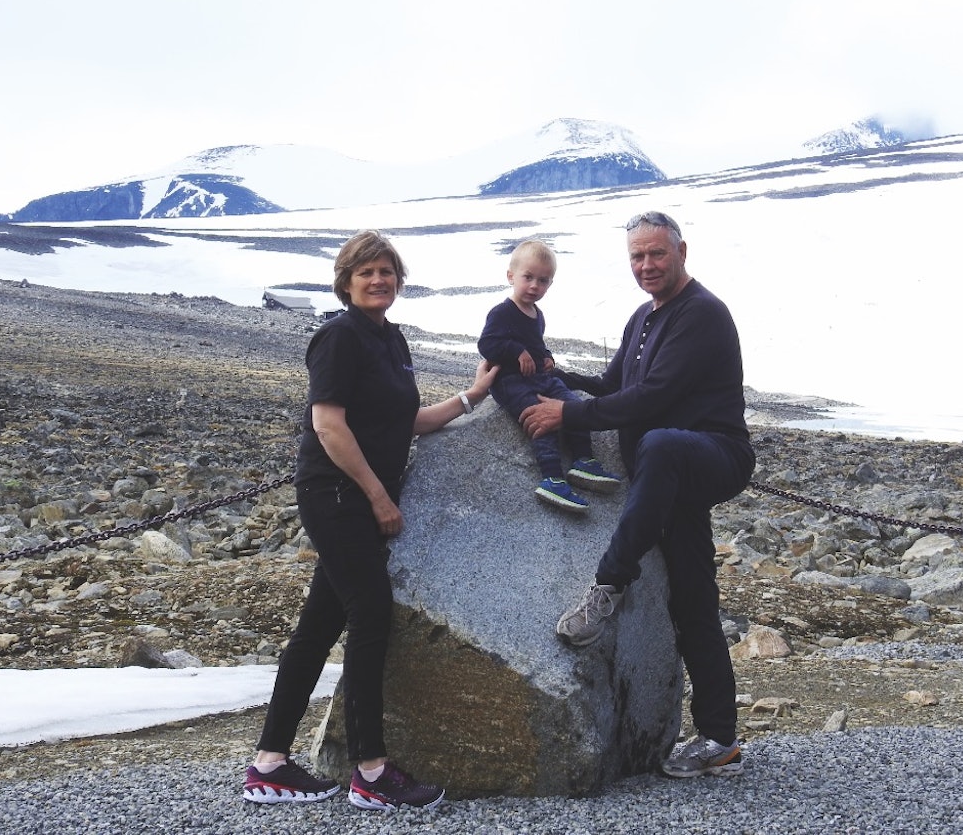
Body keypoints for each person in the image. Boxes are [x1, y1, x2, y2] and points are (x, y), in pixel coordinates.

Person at [242, 230, 498, 810]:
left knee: (317, 628)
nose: (378, 280)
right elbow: (329, 425)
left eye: (387, 271)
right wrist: (379, 497)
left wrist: (473, 395)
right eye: (367, 273)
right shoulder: (338, 337)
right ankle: (372, 772)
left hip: (356, 495)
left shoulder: (390, 339)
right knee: (370, 613)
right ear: (346, 282)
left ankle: (269, 763)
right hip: (337, 494)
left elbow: (409, 419)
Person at [519, 211, 756, 779]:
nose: (646, 266)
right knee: (692, 600)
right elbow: (613, 388)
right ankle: (720, 737)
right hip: (668, 476)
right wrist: (552, 379)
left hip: (712, 455)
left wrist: (566, 415)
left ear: (681, 252)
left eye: (656, 254)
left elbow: (653, 396)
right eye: (637, 258)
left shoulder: (703, 313)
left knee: (661, 441)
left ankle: (608, 585)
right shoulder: (641, 318)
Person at [478, 239, 621, 511]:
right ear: (511, 276)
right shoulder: (501, 312)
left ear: (550, 284)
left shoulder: (537, 314)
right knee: (540, 417)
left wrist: (546, 357)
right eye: (528, 277)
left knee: (573, 406)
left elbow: (536, 342)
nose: (534, 286)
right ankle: (552, 478)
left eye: (543, 281)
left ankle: (583, 462)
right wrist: (515, 351)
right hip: (510, 382)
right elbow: (487, 344)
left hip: (537, 378)